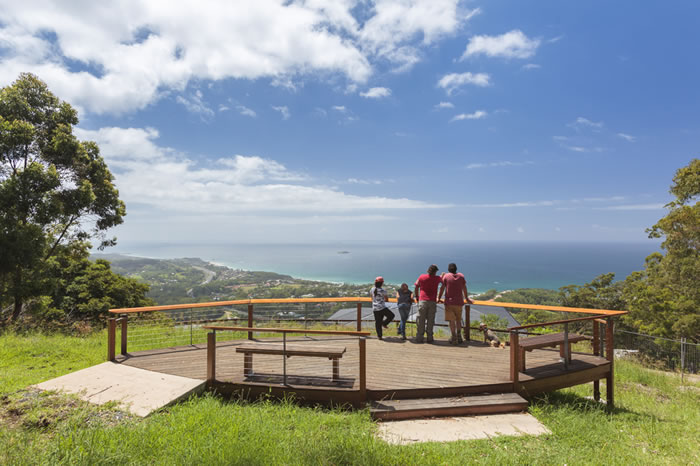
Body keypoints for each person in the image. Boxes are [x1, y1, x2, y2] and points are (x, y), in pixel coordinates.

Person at [438, 263, 473, 345]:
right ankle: (459, 336)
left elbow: (442, 288)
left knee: (451, 321)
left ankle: (454, 337)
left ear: (448, 269)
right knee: (458, 320)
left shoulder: (446, 276)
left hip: (449, 302)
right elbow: (464, 287)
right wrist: (466, 298)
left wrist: (439, 298)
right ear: (456, 269)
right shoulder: (461, 276)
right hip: (459, 302)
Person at [413, 264, 442, 343]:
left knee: (420, 320)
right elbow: (443, 282)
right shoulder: (437, 278)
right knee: (430, 320)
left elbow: (416, 286)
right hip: (432, 301)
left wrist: (417, 297)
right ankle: (430, 337)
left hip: (422, 301)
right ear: (435, 271)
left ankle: (419, 337)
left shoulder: (421, 277)